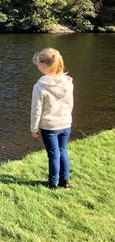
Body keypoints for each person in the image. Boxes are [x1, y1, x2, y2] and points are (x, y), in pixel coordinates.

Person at [30, 47, 74, 190]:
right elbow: (70, 104)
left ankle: (53, 183)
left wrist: (34, 128)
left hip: (50, 127)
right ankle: (65, 181)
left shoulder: (40, 86)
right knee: (63, 151)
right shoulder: (68, 83)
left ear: (43, 64)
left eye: (38, 62)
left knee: (54, 154)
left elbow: (36, 110)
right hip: (65, 124)